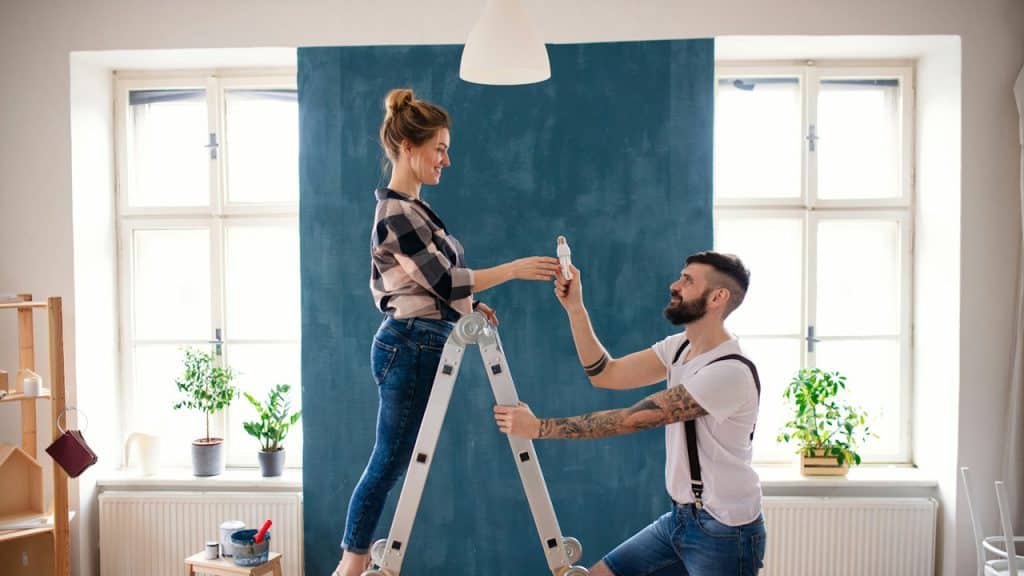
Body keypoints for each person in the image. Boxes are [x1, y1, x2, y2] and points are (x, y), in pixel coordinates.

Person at [333, 88, 563, 576]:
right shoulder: (397, 213)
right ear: (409, 148)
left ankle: (350, 565)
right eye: (439, 148)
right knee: (391, 461)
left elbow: (435, 284)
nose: (446, 159)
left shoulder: (415, 210)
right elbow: (444, 280)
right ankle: (349, 567)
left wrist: (470, 304)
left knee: (394, 460)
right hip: (411, 342)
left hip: (423, 337)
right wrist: (513, 269)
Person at [494, 251, 766, 576]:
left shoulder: (729, 372)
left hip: (724, 530)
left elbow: (632, 419)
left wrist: (539, 428)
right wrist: (575, 308)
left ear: (718, 297)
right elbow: (605, 374)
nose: (674, 285)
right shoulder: (679, 347)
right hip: (680, 519)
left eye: (687, 280)